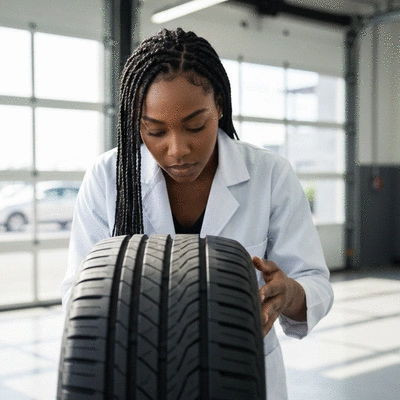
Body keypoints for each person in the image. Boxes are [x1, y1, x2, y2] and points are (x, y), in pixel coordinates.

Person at [61, 27, 334, 399]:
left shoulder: (269, 174)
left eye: (195, 126)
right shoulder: (108, 177)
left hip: (238, 371)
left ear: (219, 105)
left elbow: (315, 283)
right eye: (155, 130)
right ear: (134, 121)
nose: (177, 149)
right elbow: (77, 292)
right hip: (133, 373)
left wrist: (288, 293)